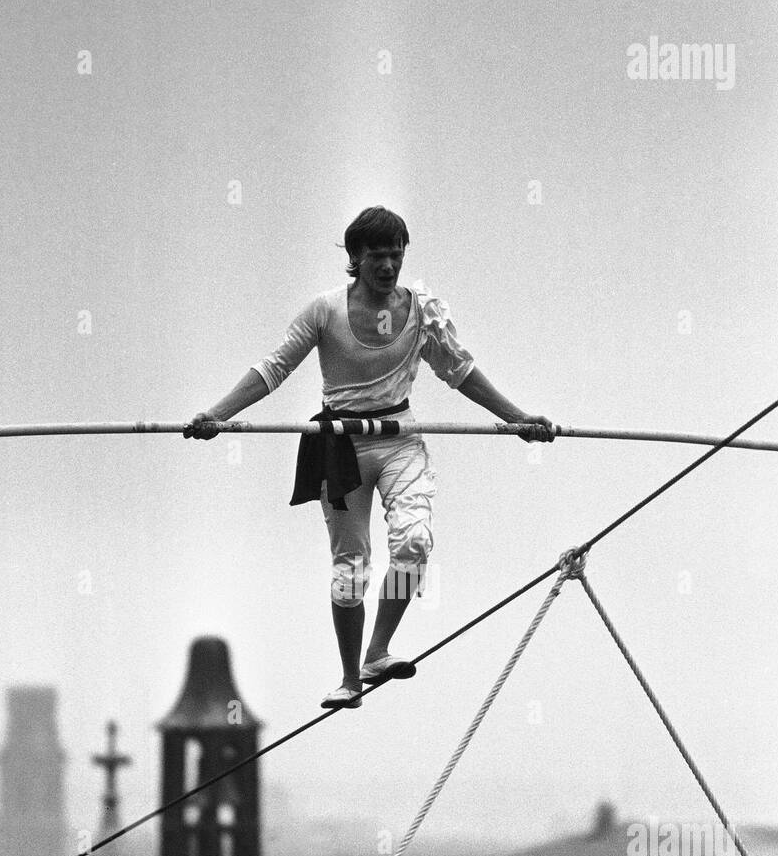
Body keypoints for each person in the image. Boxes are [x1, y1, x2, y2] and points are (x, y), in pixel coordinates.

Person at [185, 206, 554, 709]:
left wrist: (518, 420)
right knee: (350, 568)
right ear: (355, 257)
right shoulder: (324, 312)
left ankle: (378, 652)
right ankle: (349, 678)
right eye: (377, 256)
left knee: (414, 543)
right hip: (341, 446)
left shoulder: (422, 311)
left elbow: (460, 371)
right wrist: (217, 415)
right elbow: (273, 369)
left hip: (400, 439)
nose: (388, 266)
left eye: (396, 254)